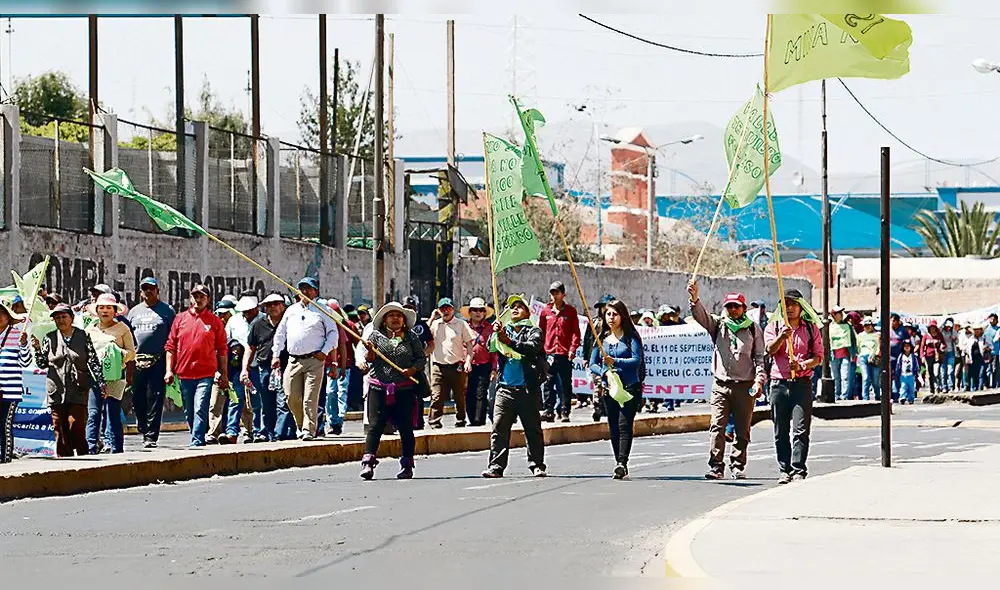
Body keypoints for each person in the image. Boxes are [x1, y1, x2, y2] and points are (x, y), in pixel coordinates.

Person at [689, 284, 766, 480]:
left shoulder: (752, 329)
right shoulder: (719, 325)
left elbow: (759, 358)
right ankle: (716, 465)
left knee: (742, 429)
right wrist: (695, 298)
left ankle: (738, 464)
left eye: (736, 306)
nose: (733, 310)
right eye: (729, 306)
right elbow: (701, 316)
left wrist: (758, 382)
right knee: (717, 425)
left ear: (743, 308)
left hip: (745, 386)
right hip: (721, 385)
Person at [358, 302, 426, 480]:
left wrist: (412, 370)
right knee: (375, 425)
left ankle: (407, 465)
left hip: (404, 389)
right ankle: (368, 463)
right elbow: (370, 359)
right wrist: (370, 353)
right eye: (391, 316)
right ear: (384, 320)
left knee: (405, 427)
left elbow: (421, 359)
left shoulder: (411, 338)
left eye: (398, 315)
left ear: (404, 320)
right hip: (378, 387)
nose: (395, 318)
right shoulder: (375, 336)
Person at [482, 294, 547, 479]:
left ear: (527, 312)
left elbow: (532, 348)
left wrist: (509, 341)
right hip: (505, 389)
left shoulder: (534, 331)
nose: (515, 309)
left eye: (520, 306)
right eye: (512, 307)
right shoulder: (504, 330)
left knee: (532, 429)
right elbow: (491, 347)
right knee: (499, 429)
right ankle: (496, 466)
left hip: (527, 389)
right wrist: (496, 333)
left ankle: (537, 464)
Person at [31, 304, 107, 457]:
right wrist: (37, 349)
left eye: (64, 317)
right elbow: (42, 363)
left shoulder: (83, 336)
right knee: (58, 427)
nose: (60, 320)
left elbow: (93, 361)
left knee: (75, 425)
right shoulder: (49, 338)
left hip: (78, 388)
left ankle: (84, 457)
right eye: (57, 318)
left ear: (71, 318)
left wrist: (101, 382)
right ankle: (64, 461)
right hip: (56, 389)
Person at [764, 289, 823, 484]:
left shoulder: (810, 329)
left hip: (802, 384)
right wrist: (781, 337)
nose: (789, 308)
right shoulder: (774, 326)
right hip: (778, 384)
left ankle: (799, 469)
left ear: (800, 307)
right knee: (780, 430)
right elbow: (769, 350)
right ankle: (784, 469)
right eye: (785, 304)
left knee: (800, 429)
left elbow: (818, 357)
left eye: (793, 304)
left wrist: (802, 365)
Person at [271, 277, 338, 441]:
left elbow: (333, 333)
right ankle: (301, 425)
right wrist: (276, 354)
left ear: (316, 291)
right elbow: (280, 333)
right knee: (290, 395)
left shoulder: (323, 310)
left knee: (310, 398)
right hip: (293, 360)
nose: (305, 292)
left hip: (314, 360)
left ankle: (309, 429)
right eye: (302, 288)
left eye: (309, 288)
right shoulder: (291, 310)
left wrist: (325, 351)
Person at [165, 284, 228, 448]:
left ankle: (197, 441)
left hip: (206, 374)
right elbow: (170, 346)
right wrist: (168, 370)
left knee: (200, 407)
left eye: (202, 296)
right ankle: (196, 435)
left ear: (208, 300)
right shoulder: (180, 319)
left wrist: (224, 374)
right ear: (191, 298)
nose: (198, 299)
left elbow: (222, 349)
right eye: (195, 296)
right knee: (189, 410)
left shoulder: (214, 321)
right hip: (184, 374)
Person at [589, 298, 645, 480]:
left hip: (629, 388)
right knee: (613, 427)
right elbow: (593, 364)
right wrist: (604, 371)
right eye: (608, 314)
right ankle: (618, 463)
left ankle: (623, 461)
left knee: (624, 425)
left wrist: (616, 362)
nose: (611, 318)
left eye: (615, 314)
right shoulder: (602, 339)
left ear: (622, 316)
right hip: (610, 389)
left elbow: (636, 361)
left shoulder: (631, 338)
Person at [126, 277, 175, 449]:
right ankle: (142, 423)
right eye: (145, 288)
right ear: (141, 292)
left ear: (157, 290)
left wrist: (171, 365)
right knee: (138, 397)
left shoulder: (167, 310)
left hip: (158, 359)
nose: (148, 291)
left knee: (155, 397)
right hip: (138, 360)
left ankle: (151, 436)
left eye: (151, 288)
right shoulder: (133, 312)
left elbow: (173, 337)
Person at [83, 293, 135, 454]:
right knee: (93, 413)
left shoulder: (123, 329)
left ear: (114, 311)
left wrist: (116, 353)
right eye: (101, 308)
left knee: (112, 413)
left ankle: (116, 448)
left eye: (108, 308)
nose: (105, 311)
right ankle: (90, 448)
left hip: (115, 377)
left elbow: (132, 353)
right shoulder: (90, 329)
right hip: (94, 378)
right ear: (96, 310)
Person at [242, 293, 291, 442]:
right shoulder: (258, 325)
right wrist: (245, 369)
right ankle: (269, 433)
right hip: (265, 367)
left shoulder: (289, 322)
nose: (273, 307)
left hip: (286, 366)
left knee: (284, 401)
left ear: (283, 305)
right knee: (267, 403)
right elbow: (250, 348)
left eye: (276, 303)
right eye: (269, 305)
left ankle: (280, 433)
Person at [427, 297, 475, 429]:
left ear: (453, 309)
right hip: (438, 365)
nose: (445, 311)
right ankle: (434, 422)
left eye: (448, 308)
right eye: (442, 309)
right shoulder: (435, 324)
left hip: (456, 365)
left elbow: (470, 345)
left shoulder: (461, 324)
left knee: (459, 396)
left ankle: (461, 419)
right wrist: (432, 318)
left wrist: (468, 361)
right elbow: (423, 334)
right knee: (436, 396)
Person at [539, 281, 582, 424]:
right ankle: (548, 410)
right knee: (548, 382)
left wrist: (572, 349)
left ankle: (564, 411)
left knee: (564, 384)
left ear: (563, 294)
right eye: (552, 293)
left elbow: (576, 332)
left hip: (564, 353)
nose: (554, 296)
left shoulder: (570, 311)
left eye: (557, 293)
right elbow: (541, 332)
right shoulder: (545, 311)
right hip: (549, 353)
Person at [222, 295, 260, 443]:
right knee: (235, 399)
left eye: (249, 311)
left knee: (257, 401)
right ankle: (232, 432)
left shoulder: (263, 320)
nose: (246, 314)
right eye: (244, 311)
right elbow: (226, 339)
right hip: (238, 368)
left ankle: (257, 431)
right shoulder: (234, 321)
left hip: (257, 366)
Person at [0, 295, 31, 463]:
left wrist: (24, 345)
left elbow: (25, 362)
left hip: (9, 391)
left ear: (8, 317)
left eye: (2, 313)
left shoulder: (17, 335)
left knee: (4, 424)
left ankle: (4, 457)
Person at [461, 297, 496, 427]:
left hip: (484, 365)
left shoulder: (490, 329)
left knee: (481, 393)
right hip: (467, 366)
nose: (478, 313)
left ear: (484, 313)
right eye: (475, 310)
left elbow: (494, 351)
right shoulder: (463, 326)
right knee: (469, 393)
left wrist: (494, 368)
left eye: (481, 310)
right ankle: (471, 419)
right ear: (470, 312)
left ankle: (479, 420)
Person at [403, 296, 434, 429]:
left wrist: (421, 356)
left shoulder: (421, 325)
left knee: (418, 395)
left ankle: (418, 422)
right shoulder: (397, 324)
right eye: (406, 308)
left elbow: (431, 344)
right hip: (400, 366)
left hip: (417, 367)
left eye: (411, 308)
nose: (408, 311)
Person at [584, 294, 615, 421]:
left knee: (609, 382)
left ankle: (607, 406)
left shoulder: (616, 323)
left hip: (610, 357)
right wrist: (586, 357)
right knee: (598, 382)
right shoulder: (594, 322)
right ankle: (597, 405)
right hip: (596, 357)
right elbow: (587, 339)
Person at [323, 300, 351, 437]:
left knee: (334, 392)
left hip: (336, 365)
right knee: (330, 393)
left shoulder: (339, 326)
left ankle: (336, 421)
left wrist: (344, 366)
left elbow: (343, 346)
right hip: (321, 364)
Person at [829, 306, 858, 401]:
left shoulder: (848, 326)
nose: (841, 315)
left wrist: (853, 353)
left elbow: (853, 340)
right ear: (833, 315)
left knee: (845, 376)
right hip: (834, 356)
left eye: (841, 313)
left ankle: (844, 396)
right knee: (835, 377)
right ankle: (836, 395)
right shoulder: (829, 326)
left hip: (846, 355)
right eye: (838, 313)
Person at [857, 317, 882, 401]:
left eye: (868, 325)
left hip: (874, 358)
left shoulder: (878, 334)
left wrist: (874, 354)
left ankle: (878, 397)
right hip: (863, 357)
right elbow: (858, 347)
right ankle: (865, 398)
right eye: (865, 325)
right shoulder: (860, 336)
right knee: (866, 378)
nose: (867, 327)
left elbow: (879, 346)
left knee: (875, 380)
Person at [963, 324, 991, 392]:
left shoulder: (984, 338)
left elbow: (991, 346)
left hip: (982, 359)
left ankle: (979, 388)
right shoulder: (971, 339)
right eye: (975, 330)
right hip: (973, 360)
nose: (977, 331)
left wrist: (987, 348)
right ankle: (976, 387)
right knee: (975, 374)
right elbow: (966, 349)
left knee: (981, 373)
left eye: (978, 329)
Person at [920, 321, 944, 396]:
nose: (932, 329)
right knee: (930, 373)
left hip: (937, 356)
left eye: (933, 327)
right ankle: (932, 388)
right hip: (928, 356)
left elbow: (944, 344)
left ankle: (938, 386)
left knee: (936, 372)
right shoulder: (926, 336)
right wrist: (922, 356)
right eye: (931, 327)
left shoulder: (939, 335)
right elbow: (922, 346)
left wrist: (942, 347)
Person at [887, 314, 907, 402]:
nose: (892, 323)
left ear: (898, 321)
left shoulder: (902, 330)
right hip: (889, 357)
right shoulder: (887, 330)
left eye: (894, 321)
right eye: (891, 321)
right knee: (889, 376)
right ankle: (889, 394)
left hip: (899, 357)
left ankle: (897, 394)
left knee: (897, 376)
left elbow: (908, 341)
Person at [896, 340, 920, 404]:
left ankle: (911, 398)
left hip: (911, 375)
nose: (907, 347)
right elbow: (898, 364)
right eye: (905, 346)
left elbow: (916, 365)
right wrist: (897, 372)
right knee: (903, 387)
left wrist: (917, 372)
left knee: (911, 388)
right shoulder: (901, 356)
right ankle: (902, 397)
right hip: (903, 375)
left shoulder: (913, 356)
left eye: (908, 346)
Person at [939, 319, 958, 393]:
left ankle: (950, 386)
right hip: (943, 353)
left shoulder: (953, 332)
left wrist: (954, 338)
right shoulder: (941, 332)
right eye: (947, 326)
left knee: (950, 370)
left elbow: (957, 341)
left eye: (950, 327)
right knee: (943, 371)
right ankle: (944, 386)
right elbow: (939, 328)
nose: (948, 328)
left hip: (951, 352)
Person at [988, 314, 1000, 388]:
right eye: (990, 319)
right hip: (988, 353)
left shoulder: (998, 329)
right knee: (988, 370)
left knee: (995, 369)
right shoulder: (987, 329)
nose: (991, 320)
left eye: (993, 319)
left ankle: (996, 384)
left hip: (996, 352)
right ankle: (990, 385)